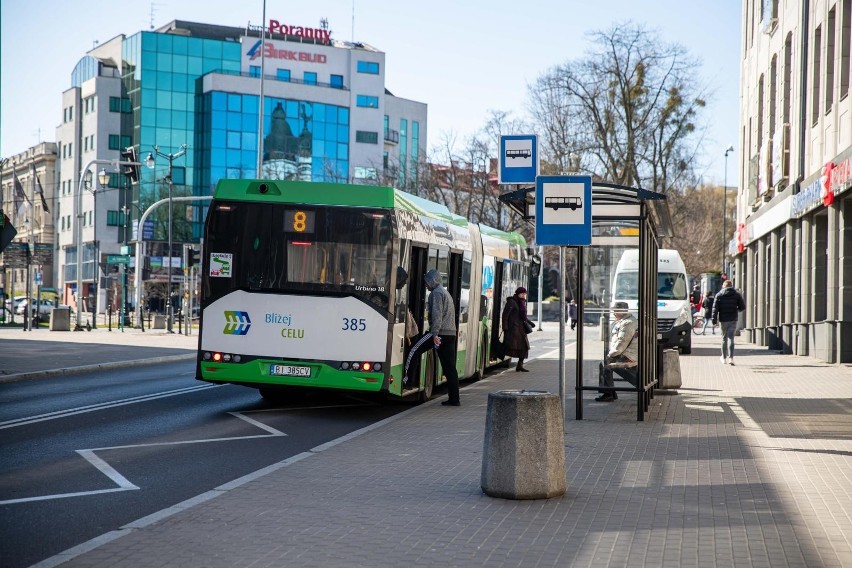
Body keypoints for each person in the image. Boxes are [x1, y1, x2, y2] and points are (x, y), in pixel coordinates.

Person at [424, 269, 460, 406]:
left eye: (427, 282)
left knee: (415, 349)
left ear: (433, 280)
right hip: (451, 333)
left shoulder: (437, 293)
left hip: (442, 334)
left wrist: (434, 334)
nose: (426, 286)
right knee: (450, 368)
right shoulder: (446, 292)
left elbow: (437, 315)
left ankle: (407, 378)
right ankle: (454, 399)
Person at [596, 301, 638, 402]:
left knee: (605, 364)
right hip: (628, 353)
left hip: (628, 355)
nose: (614, 313)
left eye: (616, 310)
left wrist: (611, 355)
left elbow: (621, 343)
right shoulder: (623, 321)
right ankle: (610, 392)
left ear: (623, 311)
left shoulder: (628, 323)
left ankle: (608, 393)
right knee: (604, 363)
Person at [712, 280, 746, 365]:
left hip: (723, 319)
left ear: (723, 286)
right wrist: (736, 309)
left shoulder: (719, 295)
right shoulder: (736, 295)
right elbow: (742, 307)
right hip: (733, 318)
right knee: (731, 338)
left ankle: (723, 358)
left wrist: (714, 321)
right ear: (731, 286)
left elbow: (715, 309)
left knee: (724, 338)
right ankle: (731, 358)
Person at [502, 287, 531, 372]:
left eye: (524, 294)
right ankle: (498, 357)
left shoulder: (521, 302)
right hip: (513, 329)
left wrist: (529, 322)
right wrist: (505, 327)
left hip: (520, 329)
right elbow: (505, 315)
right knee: (508, 347)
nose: (523, 295)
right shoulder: (512, 302)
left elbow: (522, 316)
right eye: (522, 293)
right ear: (518, 293)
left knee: (525, 347)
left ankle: (520, 365)